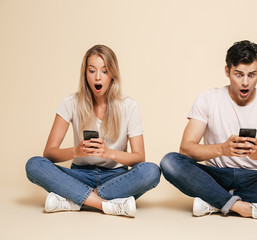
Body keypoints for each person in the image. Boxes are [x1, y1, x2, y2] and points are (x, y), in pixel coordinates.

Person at [160, 40, 257, 222]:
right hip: (216, 175)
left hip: (256, 178)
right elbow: (186, 149)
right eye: (239, 74)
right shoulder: (208, 99)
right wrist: (222, 150)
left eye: (252, 75)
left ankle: (216, 202)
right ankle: (246, 207)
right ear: (227, 71)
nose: (245, 83)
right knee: (170, 162)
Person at [26, 45, 161, 217]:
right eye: (92, 71)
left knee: (152, 171)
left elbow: (139, 158)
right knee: (34, 164)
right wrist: (76, 151)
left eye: (104, 71)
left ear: (112, 74)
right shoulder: (71, 103)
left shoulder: (129, 106)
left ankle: (74, 200)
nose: (98, 77)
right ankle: (104, 204)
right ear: (85, 74)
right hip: (79, 175)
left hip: (115, 178)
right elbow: (49, 153)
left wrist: (109, 153)